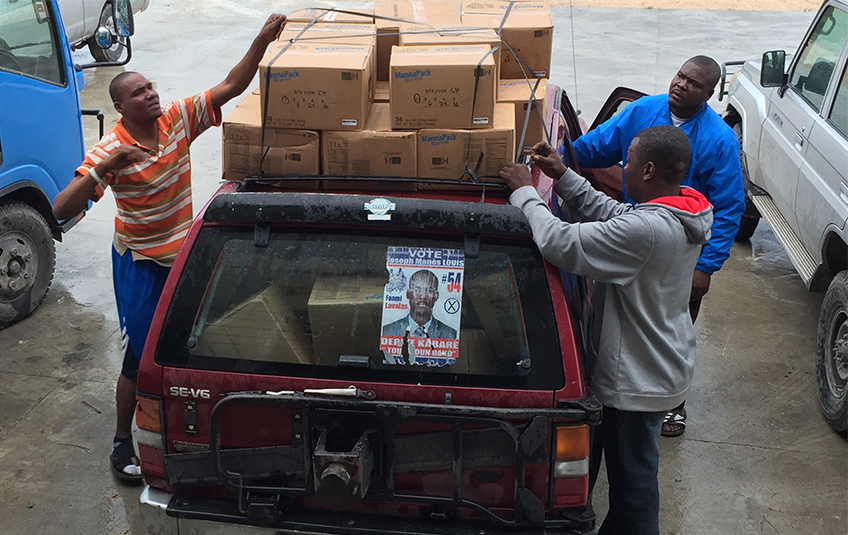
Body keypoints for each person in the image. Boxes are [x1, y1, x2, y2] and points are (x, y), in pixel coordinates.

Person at [51, 14, 288, 482]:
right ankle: (123, 440)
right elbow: (61, 208)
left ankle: (186, 431)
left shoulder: (178, 118)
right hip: (140, 263)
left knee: (190, 345)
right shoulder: (110, 149)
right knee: (141, 359)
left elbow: (230, 86)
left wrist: (261, 39)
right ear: (120, 106)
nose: (152, 93)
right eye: (139, 92)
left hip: (182, 257)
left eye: (151, 86)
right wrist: (110, 164)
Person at [500, 126, 712, 534]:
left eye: (628, 159)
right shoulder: (678, 210)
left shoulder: (649, 230)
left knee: (633, 489)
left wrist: (526, 193)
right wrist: (562, 175)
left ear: (648, 170)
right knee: (633, 475)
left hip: (637, 379)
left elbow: (559, 241)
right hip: (656, 362)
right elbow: (614, 215)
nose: (622, 166)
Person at [571, 55, 745, 437]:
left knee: (670, 325)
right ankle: (619, 388)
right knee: (626, 319)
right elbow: (592, 150)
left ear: (709, 93)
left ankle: (670, 404)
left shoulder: (719, 139)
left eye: (694, 83)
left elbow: (730, 206)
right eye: (680, 75)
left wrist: (706, 267)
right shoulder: (642, 111)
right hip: (639, 234)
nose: (682, 84)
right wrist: (559, 160)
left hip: (682, 251)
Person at [382, 269, 458, 340]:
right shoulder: (388, 331)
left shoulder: (450, 334)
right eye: (417, 290)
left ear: (436, 296)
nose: (423, 296)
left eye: (429, 290)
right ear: (408, 294)